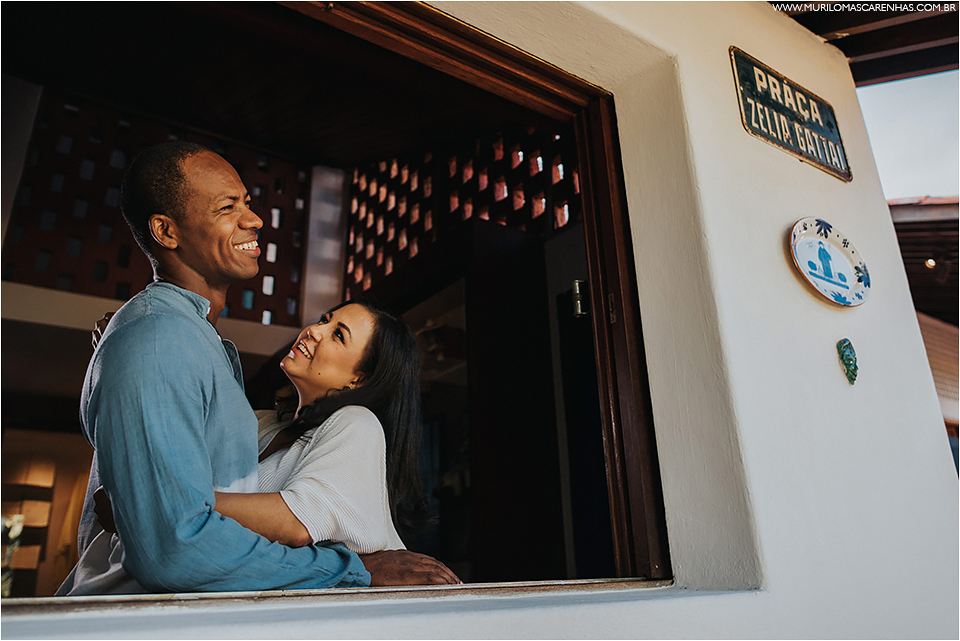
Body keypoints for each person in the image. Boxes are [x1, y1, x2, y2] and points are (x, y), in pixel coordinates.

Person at [57, 141, 456, 595]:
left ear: (360, 377)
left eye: (247, 202)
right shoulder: (165, 340)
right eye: (228, 207)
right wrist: (140, 340)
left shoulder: (191, 345)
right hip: (138, 615)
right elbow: (174, 542)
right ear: (166, 232)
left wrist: (154, 506)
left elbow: (285, 520)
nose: (255, 219)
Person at [210, 299, 428, 555]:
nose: (313, 330)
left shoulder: (358, 422)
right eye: (324, 320)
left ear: (359, 379)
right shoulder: (261, 423)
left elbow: (295, 524)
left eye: (338, 335)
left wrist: (181, 503)